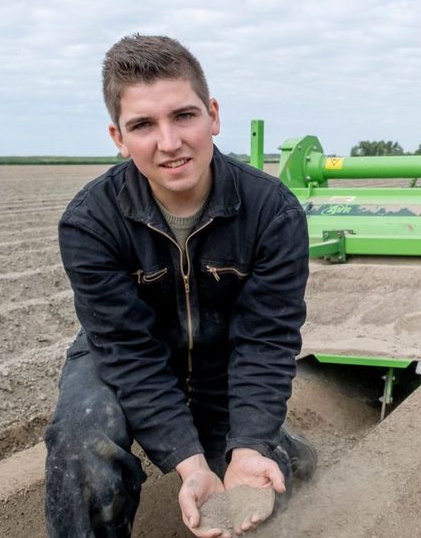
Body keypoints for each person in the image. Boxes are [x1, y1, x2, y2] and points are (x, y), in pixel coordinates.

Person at [44, 34, 314, 538]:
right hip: (123, 356)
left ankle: (279, 445)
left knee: (267, 472)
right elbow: (127, 351)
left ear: (213, 114)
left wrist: (248, 447)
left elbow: (265, 340)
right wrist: (190, 466)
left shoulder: (272, 212)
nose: (169, 142)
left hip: (224, 359)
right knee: (83, 432)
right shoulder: (90, 223)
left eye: (184, 115)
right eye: (143, 125)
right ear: (118, 138)